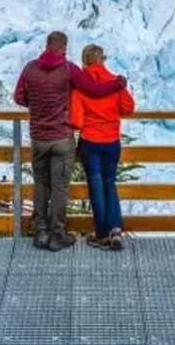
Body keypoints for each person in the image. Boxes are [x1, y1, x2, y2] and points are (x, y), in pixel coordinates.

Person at [14, 30, 127, 252]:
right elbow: (94, 89)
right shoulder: (68, 69)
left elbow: (18, 96)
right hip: (63, 138)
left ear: (46, 46)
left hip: (38, 137)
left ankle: (40, 232)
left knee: (41, 184)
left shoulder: (29, 68)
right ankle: (57, 234)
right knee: (59, 188)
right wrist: (117, 84)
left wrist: (37, 107)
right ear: (64, 48)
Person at [71, 44, 135, 251]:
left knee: (96, 187)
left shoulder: (81, 86)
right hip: (111, 142)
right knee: (110, 183)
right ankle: (116, 230)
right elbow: (128, 107)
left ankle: (101, 234)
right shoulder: (115, 83)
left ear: (85, 61)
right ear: (103, 60)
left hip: (90, 142)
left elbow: (76, 120)